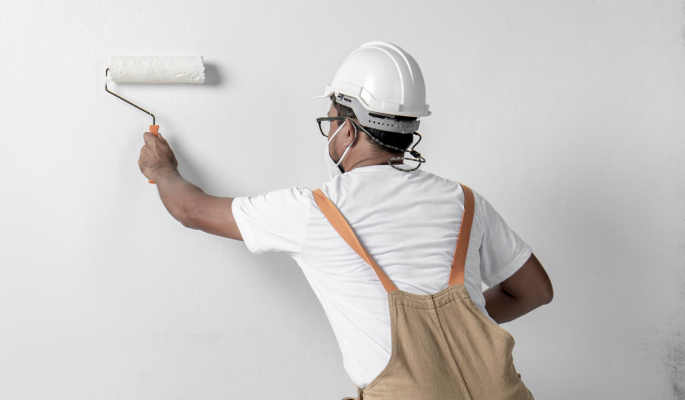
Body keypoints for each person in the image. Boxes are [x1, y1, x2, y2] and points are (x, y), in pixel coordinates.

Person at [136, 42, 553, 399]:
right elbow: (535, 290)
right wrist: (460, 336)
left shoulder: (316, 210)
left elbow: (191, 210)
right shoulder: (464, 201)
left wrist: (162, 168)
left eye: (332, 119)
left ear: (348, 129)